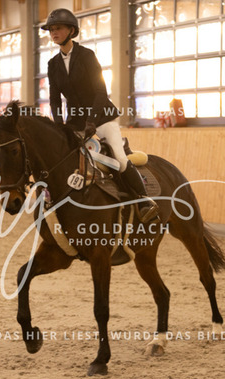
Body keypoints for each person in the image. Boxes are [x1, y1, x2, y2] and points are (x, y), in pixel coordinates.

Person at [42, 8, 159, 223]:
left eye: (58, 28)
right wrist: (59, 125)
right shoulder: (52, 64)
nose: (53, 33)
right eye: (51, 30)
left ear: (71, 31)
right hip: (75, 122)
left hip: (102, 117)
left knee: (119, 160)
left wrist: (92, 122)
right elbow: (55, 99)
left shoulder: (87, 56)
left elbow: (100, 92)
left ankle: (144, 201)